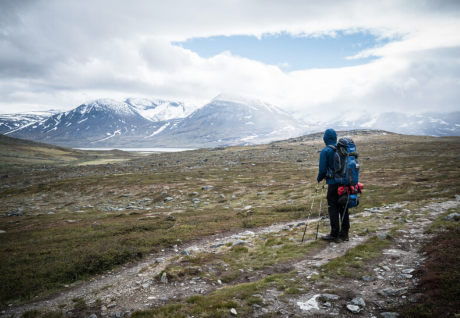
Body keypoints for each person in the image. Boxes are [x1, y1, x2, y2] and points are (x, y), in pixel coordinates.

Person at [317, 128, 349, 243]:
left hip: (332, 184)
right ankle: (345, 234)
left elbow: (322, 170)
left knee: (333, 208)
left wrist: (319, 179)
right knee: (343, 207)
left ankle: (334, 234)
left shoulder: (326, 151)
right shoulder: (342, 149)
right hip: (344, 183)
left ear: (325, 139)